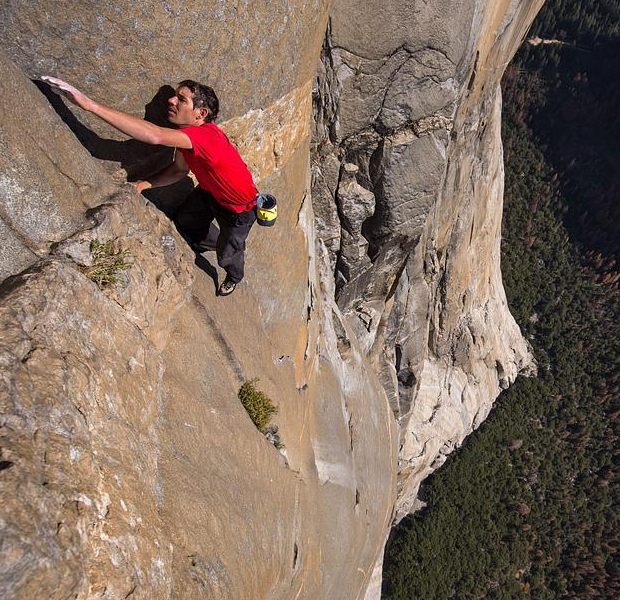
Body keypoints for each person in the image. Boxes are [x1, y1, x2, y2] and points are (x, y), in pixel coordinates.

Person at [42, 76, 258, 296]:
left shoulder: (205, 137)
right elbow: (179, 170)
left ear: (200, 114)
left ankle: (234, 275)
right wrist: (143, 185)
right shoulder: (186, 137)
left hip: (238, 208)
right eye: (174, 95)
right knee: (186, 221)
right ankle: (209, 241)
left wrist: (90, 105)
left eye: (181, 99)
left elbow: (155, 136)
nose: (171, 100)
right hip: (209, 191)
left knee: (227, 254)